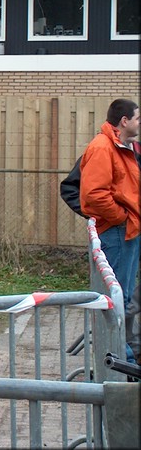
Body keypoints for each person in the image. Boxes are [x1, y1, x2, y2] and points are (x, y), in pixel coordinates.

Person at [80, 98, 141, 362]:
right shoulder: (104, 147)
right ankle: (120, 360)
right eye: (137, 118)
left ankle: (121, 356)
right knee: (118, 297)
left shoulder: (120, 146)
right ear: (124, 121)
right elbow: (94, 195)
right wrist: (121, 218)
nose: (140, 123)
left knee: (122, 297)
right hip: (118, 232)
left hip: (126, 230)